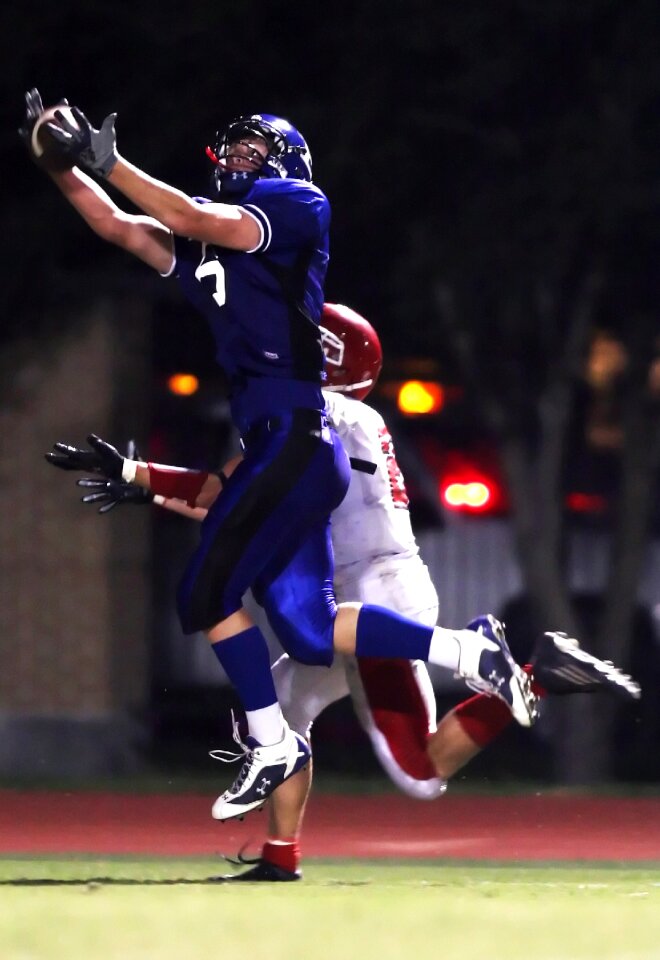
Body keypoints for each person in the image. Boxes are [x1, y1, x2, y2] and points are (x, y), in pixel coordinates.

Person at [25, 87, 538, 823]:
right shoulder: (213, 248)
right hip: (283, 447)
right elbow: (120, 227)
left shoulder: (298, 203)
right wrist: (57, 166)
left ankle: (275, 744)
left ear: (286, 161)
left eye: (251, 149)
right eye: (229, 149)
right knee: (304, 631)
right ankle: (464, 656)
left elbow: (188, 215)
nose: (236, 158)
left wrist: (108, 159)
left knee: (205, 595)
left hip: (294, 437)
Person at [50, 304, 642, 882]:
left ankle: (488, 655)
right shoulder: (345, 415)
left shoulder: (321, 412)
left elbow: (231, 491)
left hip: (372, 600)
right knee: (315, 730)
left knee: (388, 750)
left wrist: (142, 478)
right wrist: (143, 484)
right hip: (376, 590)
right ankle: (283, 853)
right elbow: (234, 499)